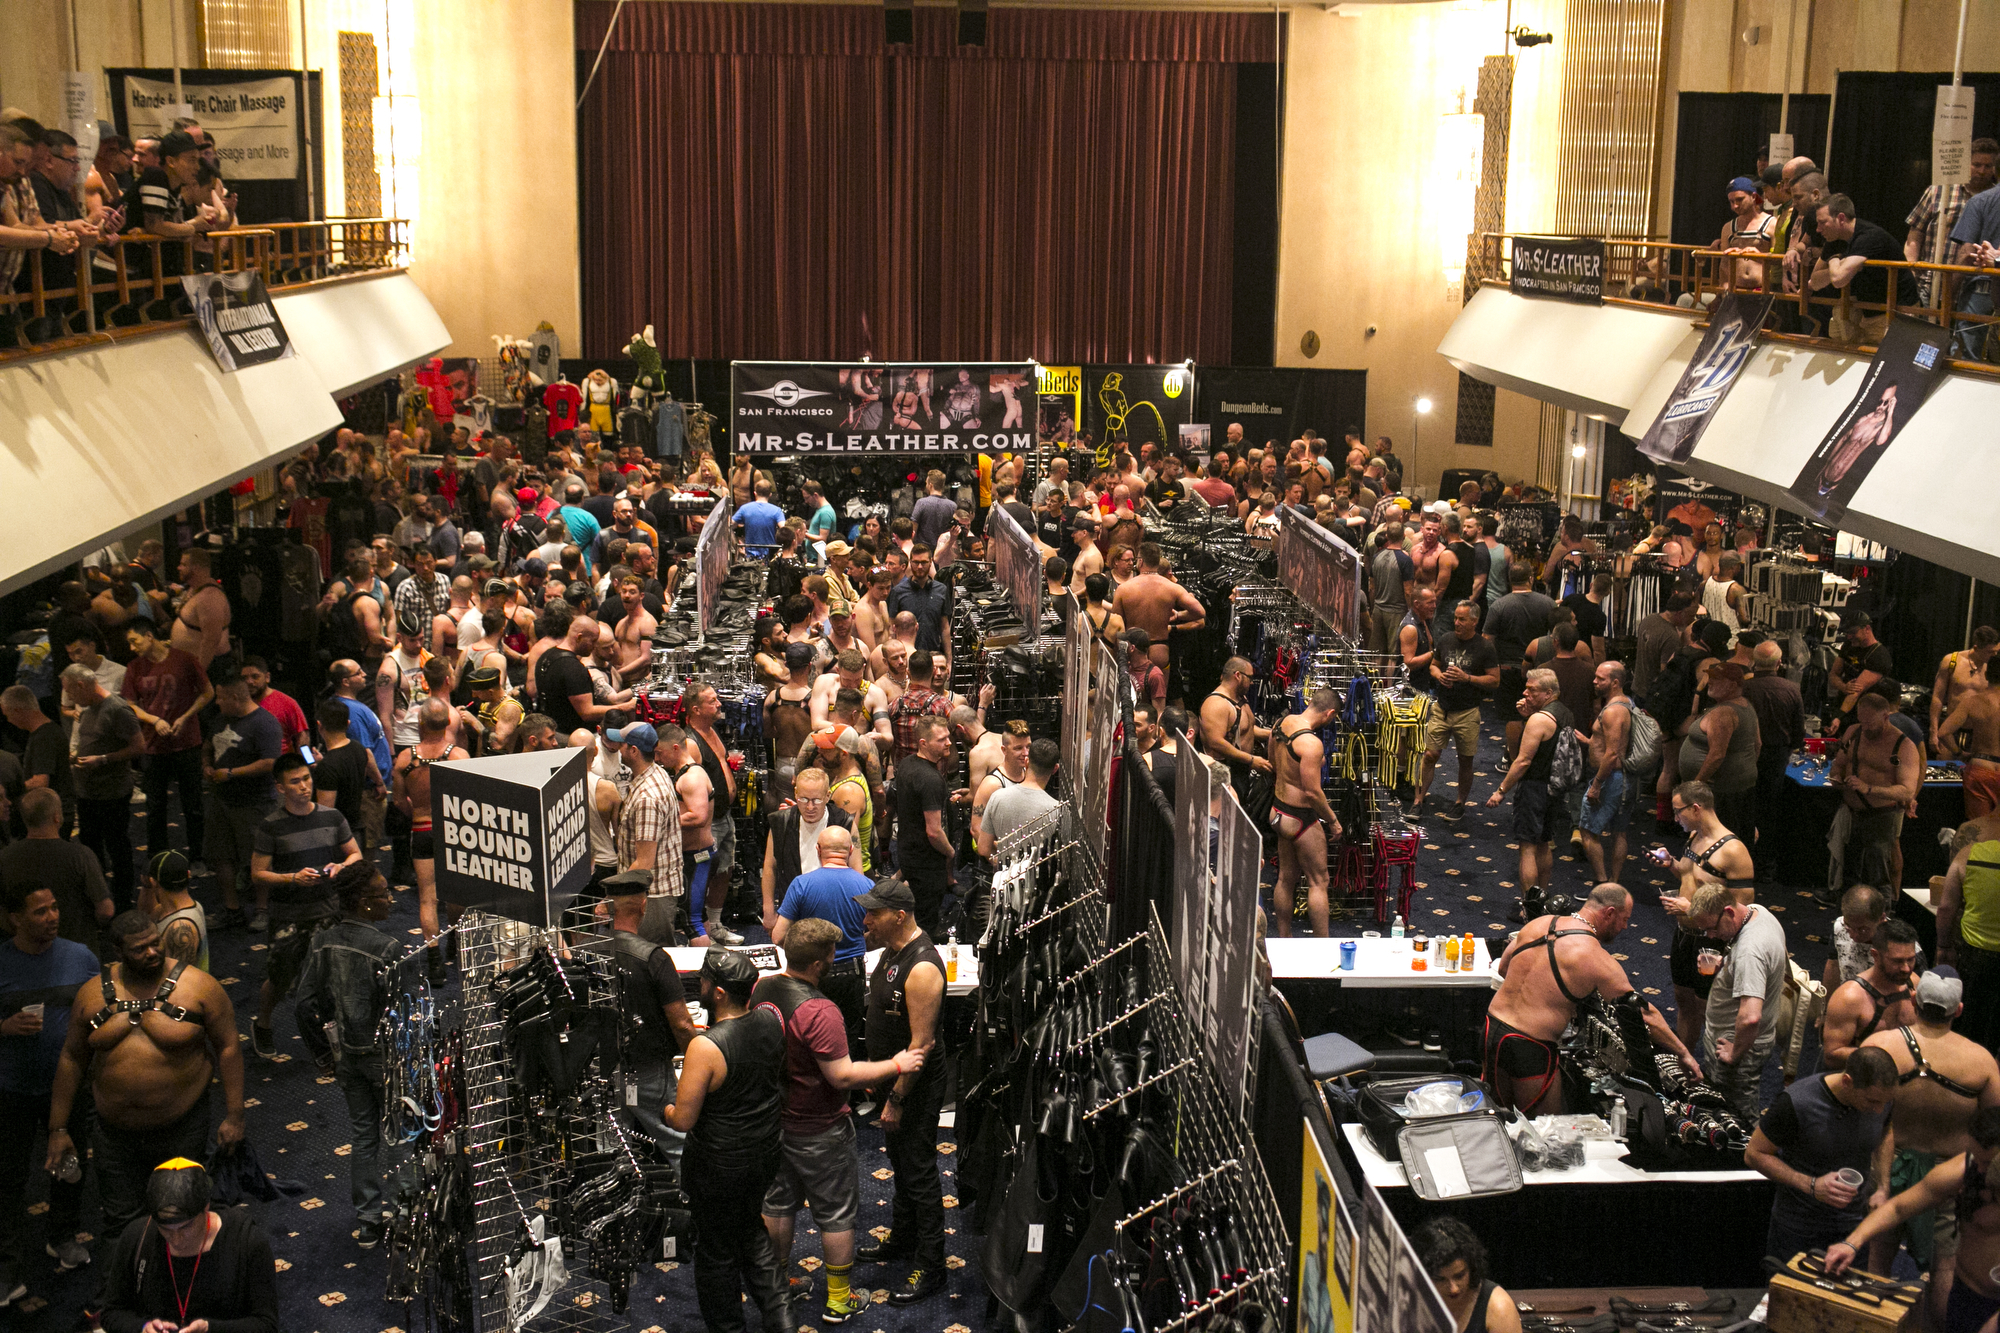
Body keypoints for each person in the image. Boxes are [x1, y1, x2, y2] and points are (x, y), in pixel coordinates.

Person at [755, 918, 926, 1325]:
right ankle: (839, 1299)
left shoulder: (763, 989)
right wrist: (896, 1064)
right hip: (820, 1126)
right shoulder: (820, 1010)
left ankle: (777, 1289)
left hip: (774, 1120)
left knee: (778, 1204)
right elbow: (843, 1076)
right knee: (836, 1214)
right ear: (820, 962)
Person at [45, 911, 245, 1250]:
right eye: (140, 949)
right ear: (117, 951)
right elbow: (71, 1057)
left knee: (184, 1216)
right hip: (113, 1133)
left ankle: (188, 1296)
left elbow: (228, 1048)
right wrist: (58, 1129)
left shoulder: (199, 986)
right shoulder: (92, 994)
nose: (152, 952)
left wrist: (235, 1114)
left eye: (156, 943)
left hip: (182, 1126)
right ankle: (125, 1299)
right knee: (122, 1225)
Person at [667, 949, 796, 1333]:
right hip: (765, 1152)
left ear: (719, 992)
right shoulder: (772, 1021)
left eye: (704, 980)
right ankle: (782, 1321)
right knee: (751, 1233)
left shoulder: (705, 1046)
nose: (700, 985)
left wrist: (664, 1111)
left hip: (719, 1166)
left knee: (717, 1253)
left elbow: (684, 1119)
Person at [1485, 884, 1691, 1114]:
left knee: (1498, 1120)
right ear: (1609, 912)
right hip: (1530, 1046)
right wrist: (1683, 1053)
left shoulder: (1540, 923)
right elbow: (1642, 1013)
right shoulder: (1595, 957)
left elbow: (1503, 968)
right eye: (1624, 919)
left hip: (1492, 1027)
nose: (1625, 927)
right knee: (1545, 1133)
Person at [1859, 968, 2000, 1298]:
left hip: (1886, 1167)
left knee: (1878, 1256)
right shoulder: (1980, 1062)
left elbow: (1861, 1112)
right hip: (1948, 1177)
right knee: (1944, 1268)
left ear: (1913, 999)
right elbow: (1993, 1130)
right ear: (1959, 1009)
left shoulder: (1881, 1046)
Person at [295, 863, 406, 1244]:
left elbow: (303, 1003)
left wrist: (324, 1056)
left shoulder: (322, 941)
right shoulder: (388, 949)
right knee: (400, 1134)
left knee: (363, 1137)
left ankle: (368, 1222)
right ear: (363, 902)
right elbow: (403, 1016)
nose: (391, 899)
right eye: (383, 893)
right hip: (386, 1061)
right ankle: (408, 1215)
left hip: (346, 1058)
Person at [0, 883, 101, 1297]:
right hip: (12, 1090)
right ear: (15, 919)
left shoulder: (81, 957)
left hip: (70, 1088)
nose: (53, 916)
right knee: (8, 1177)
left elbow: (103, 1009)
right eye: (40, 911)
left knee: (70, 1167)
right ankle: (7, 1266)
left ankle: (62, 1236)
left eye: (56, 907)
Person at [1824, 1106, 2000, 1333]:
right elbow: (1898, 1208)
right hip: (1965, 1295)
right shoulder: (1965, 1168)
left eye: (1988, 1162)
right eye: (1977, 1158)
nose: (1980, 1168)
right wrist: (1852, 1242)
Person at [855, 879, 947, 1305]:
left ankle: (932, 1266)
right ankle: (904, 1238)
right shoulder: (892, 952)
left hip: (916, 1088)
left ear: (899, 915)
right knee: (900, 1163)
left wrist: (897, 1099)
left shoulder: (923, 967)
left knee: (920, 1171)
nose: (866, 919)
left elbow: (921, 1046)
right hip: (892, 1081)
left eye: (874, 912)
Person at [247, 751, 362, 1058]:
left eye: (307, 779)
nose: (303, 786)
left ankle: (333, 1039)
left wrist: (341, 867)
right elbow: (257, 874)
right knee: (281, 978)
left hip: (327, 912)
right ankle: (264, 1023)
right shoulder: (271, 826)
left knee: (332, 978)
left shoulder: (331, 817)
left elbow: (355, 854)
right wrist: (292, 878)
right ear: (280, 788)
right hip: (288, 917)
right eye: (294, 781)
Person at [1746, 1046, 1899, 1263]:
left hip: (1853, 1228)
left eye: (1885, 1102)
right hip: (1799, 1228)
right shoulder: (1797, 1102)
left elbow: (1886, 1131)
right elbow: (1754, 1154)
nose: (1878, 1109)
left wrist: (1883, 1187)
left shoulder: (1881, 1098)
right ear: (1847, 1081)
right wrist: (1811, 1184)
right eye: (1872, 1102)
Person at [98, 1159, 279, 1333]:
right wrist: (142, 1328)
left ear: (206, 1207)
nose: (176, 1239)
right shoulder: (137, 1236)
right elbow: (111, 1312)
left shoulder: (247, 1242)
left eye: (186, 1227)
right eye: (165, 1229)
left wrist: (211, 1329)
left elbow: (266, 1324)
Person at [1655, 779, 1758, 1050]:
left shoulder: (1734, 851)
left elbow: (1740, 910)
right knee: (1683, 999)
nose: (1675, 818)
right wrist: (1671, 865)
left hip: (1710, 942)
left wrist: (1692, 909)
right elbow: (1692, 878)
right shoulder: (1694, 837)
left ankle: (1716, 1068)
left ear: (1697, 808)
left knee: (1709, 1007)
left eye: (1679, 811)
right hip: (1683, 935)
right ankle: (1683, 1060)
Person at [602, 869, 695, 1163]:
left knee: (613, 1151)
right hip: (649, 1070)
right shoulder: (653, 958)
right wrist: (696, 1060)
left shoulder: (590, 952)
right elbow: (681, 1023)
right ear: (643, 907)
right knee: (679, 1146)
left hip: (604, 1070)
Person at [1685, 880, 1789, 1119]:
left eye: (1712, 928)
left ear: (1729, 912)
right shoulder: (1758, 911)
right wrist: (1728, 966)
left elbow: (1751, 1017)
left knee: (1735, 1114)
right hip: (1745, 1037)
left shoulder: (1749, 952)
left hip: (1738, 1044)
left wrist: (1734, 1053)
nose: (1711, 936)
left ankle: (1744, 1155)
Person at [199, 659, 283, 932]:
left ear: (236, 697)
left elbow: (271, 762)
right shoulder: (219, 719)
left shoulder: (265, 723)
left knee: (257, 858)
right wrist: (207, 765)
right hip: (221, 800)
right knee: (220, 855)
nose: (217, 703)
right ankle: (231, 909)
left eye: (221, 698)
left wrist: (233, 773)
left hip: (255, 802)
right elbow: (207, 747)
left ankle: (262, 910)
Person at [120, 621, 212, 862]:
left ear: (149, 636)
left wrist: (185, 716)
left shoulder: (184, 659)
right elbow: (129, 705)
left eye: (134, 641)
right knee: (155, 807)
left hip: (187, 742)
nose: (131, 647)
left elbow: (207, 692)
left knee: (193, 805)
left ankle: (198, 856)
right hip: (152, 745)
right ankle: (158, 858)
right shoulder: (134, 668)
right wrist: (153, 720)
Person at [1487, 669, 1574, 919]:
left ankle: (1529, 907)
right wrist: (1528, 717)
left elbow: (1522, 760)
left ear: (1548, 692)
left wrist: (1501, 790)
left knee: (1527, 847)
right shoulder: (1564, 713)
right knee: (1544, 843)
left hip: (1534, 787)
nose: (1525, 692)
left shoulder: (1539, 720)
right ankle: (1543, 900)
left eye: (1532, 689)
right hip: (1555, 788)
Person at [774, 826, 872, 1048]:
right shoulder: (867, 886)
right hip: (851, 975)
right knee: (848, 1041)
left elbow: (779, 936)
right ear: (850, 850)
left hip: (811, 974)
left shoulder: (802, 884)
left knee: (811, 1039)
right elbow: (880, 936)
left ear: (818, 850)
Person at [391, 698, 467, 982]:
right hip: (453, 831)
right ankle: (455, 942)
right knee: (456, 893)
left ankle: (433, 961)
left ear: (420, 723)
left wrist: (417, 815)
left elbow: (398, 801)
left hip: (422, 829)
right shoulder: (458, 757)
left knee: (427, 897)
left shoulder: (404, 759)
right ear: (448, 723)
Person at [61, 663, 143, 912]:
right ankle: (99, 899)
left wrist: (103, 759)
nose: (70, 700)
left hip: (111, 792)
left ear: (81, 685)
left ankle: (122, 902)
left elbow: (139, 747)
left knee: (117, 848)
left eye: (71, 693)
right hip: (88, 793)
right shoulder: (87, 709)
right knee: (91, 849)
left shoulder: (117, 709)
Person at [1829, 690, 1922, 897]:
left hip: (1882, 816)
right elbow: (1839, 764)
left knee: (1878, 877)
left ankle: (1886, 916)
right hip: (1852, 814)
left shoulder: (1902, 746)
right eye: (1862, 721)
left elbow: (1907, 791)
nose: (1866, 727)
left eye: (1870, 723)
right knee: (1850, 875)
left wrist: (1869, 788)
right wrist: (1836, 777)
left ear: (1885, 717)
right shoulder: (1854, 732)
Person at [0, 788, 112, 953]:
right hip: (77, 949)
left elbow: (3, 916)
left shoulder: (4, 857)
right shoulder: (80, 855)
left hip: (28, 952)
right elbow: (106, 910)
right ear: (57, 817)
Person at [1270, 690, 1343, 938]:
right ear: (1330, 713)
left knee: (1285, 878)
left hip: (1278, 811)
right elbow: (1312, 792)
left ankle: (1284, 938)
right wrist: (1333, 821)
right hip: (1300, 818)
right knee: (1318, 881)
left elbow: (1274, 761)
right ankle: (1323, 948)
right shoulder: (1311, 743)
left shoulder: (1281, 723)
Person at [1420, 600, 1499, 821]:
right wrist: (1438, 676)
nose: (1457, 622)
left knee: (1465, 760)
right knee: (1430, 755)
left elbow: (1494, 680)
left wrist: (1468, 678)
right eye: (1455, 618)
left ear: (1474, 621)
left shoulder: (1485, 647)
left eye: (1462, 619)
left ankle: (1459, 803)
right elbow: (1434, 665)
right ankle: (1418, 800)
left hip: (1468, 712)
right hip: (1442, 708)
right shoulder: (1446, 639)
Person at [610, 721, 686, 946]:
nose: (618, 747)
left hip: (651, 896)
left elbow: (643, 863)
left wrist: (611, 899)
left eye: (622, 744)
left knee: (650, 959)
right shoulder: (656, 772)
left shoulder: (647, 799)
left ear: (633, 751)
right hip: (652, 892)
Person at [1936, 810, 2000, 1059]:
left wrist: (1944, 947)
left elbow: (1945, 908)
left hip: (1975, 956)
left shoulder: (1969, 853)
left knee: (1973, 1023)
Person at [1820, 918, 1920, 1071]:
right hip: (1862, 1081)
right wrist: (1889, 1055)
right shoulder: (1849, 998)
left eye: (1911, 960)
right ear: (1876, 955)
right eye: (1897, 961)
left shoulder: (1915, 984)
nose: (1906, 969)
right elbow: (1832, 1055)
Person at [1680, 661, 1761, 836]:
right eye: (1710, 677)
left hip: (1722, 791)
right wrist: (1743, 768)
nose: (1710, 682)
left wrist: (1695, 786)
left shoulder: (1724, 712)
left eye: (1717, 679)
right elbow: (1757, 745)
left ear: (1732, 685)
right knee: (1736, 835)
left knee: (1716, 839)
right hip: (1738, 786)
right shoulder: (1745, 704)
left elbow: (1717, 755)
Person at [1486, 565, 1557, 760]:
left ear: (1509, 580)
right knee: (1541, 711)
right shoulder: (1548, 603)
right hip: (1540, 668)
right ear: (1531, 578)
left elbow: (1487, 639)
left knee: (1513, 714)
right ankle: (1537, 756)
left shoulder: (1499, 605)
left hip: (1508, 668)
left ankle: (1514, 758)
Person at [895, 716, 956, 936]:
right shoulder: (930, 778)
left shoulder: (907, 763)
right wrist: (950, 852)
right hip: (927, 864)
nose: (948, 742)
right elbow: (933, 831)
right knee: (925, 924)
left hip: (909, 855)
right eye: (941, 739)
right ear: (923, 743)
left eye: (948, 736)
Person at [1743, 640, 1806, 846]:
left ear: (1754, 661)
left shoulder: (1744, 688)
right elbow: (1798, 732)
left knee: (1745, 804)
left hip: (1746, 754)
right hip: (1777, 757)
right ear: (1779, 662)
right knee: (1769, 808)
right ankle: (1766, 865)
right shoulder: (1792, 689)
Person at [1415, 1217, 1523, 1333]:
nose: (1453, 1289)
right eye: (1440, 1279)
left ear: (1471, 1267)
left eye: (1459, 1276)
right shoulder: (1412, 1297)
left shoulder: (1499, 1308)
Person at [1580, 662, 1635, 885]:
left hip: (1610, 779)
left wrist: (1596, 785)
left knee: (1587, 831)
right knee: (1619, 832)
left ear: (1615, 682)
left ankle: (1602, 884)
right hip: (1625, 778)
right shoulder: (1627, 704)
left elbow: (1612, 754)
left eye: (1600, 678)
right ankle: (1614, 882)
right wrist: (1589, 741)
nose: (1594, 681)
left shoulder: (1613, 711)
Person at [1198, 656, 1271, 797]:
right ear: (1238, 675)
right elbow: (1216, 742)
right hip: (1224, 775)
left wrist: (1272, 734)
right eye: (1249, 678)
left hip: (1240, 772)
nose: (1251, 682)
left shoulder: (1240, 698)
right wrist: (1251, 759)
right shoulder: (1216, 704)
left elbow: (1246, 729)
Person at [979, 738, 1061, 858]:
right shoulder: (1057, 810)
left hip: (1005, 874)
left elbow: (983, 848)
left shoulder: (997, 798)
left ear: (1027, 762)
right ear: (1055, 769)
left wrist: (1005, 864)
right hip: (1040, 876)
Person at [1940, 661, 2000, 819]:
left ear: (1986, 675)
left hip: (1981, 767)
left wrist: (1959, 753)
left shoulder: (1973, 702)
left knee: (1978, 830)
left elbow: (1943, 733)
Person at [141, 849, 209, 972]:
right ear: (188, 875)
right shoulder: (193, 906)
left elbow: (179, 980)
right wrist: (147, 887)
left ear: (153, 881)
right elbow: (143, 922)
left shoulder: (181, 927)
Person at [1368, 521, 1415, 655]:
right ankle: (1390, 677)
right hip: (1397, 611)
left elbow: (1372, 587)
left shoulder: (1376, 557)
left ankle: (1374, 677)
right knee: (1394, 654)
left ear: (1387, 536)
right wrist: (1410, 611)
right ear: (1404, 536)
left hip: (1378, 608)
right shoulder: (1405, 560)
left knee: (1377, 652)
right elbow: (1408, 591)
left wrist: (1373, 607)